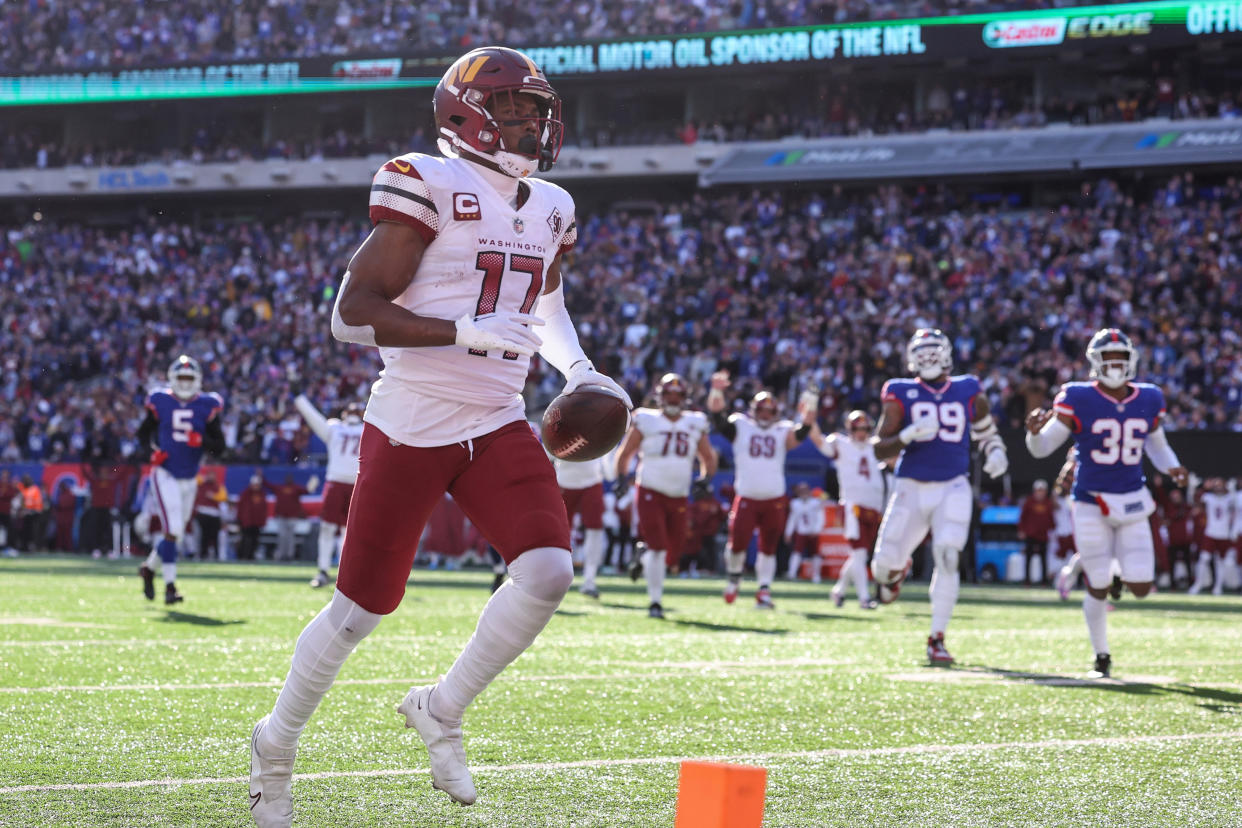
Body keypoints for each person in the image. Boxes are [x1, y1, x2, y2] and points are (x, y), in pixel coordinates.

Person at [248, 46, 631, 828]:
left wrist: (582, 370)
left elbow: (544, 307)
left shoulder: (552, 204)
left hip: (497, 418)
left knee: (550, 570)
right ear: (468, 113)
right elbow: (349, 317)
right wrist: (462, 330)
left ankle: (442, 708)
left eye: (536, 110)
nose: (532, 123)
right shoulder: (426, 180)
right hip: (413, 418)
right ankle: (276, 744)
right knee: (360, 609)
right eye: (516, 110)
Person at [1025, 328, 1188, 678]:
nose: (1115, 364)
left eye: (1120, 358)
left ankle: (1116, 572)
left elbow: (1156, 445)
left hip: (1132, 499)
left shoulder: (1149, 397)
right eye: (1108, 358)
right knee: (1097, 584)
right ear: (1095, 362)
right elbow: (1043, 448)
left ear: (1131, 361)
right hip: (1090, 500)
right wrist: (1034, 433)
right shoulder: (1078, 395)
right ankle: (1102, 655)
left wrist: (1171, 465)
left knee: (1142, 586)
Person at [870, 329, 1009, 665]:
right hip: (910, 486)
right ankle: (896, 570)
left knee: (948, 556)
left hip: (953, 486)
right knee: (881, 567)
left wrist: (996, 451)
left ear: (947, 354)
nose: (929, 359)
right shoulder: (900, 391)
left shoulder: (967, 388)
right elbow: (879, 447)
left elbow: (986, 431)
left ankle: (937, 638)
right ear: (911, 357)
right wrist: (905, 435)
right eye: (922, 352)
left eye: (934, 352)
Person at [614, 373, 715, 619]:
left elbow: (708, 457)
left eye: (677, 395)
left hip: (679, 494)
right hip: (649, 489)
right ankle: (655, 601)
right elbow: (626, 453)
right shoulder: (646, 419)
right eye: (668, 394)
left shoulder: (695, 422)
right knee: (659, 548)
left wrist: (706, 479)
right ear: (660, 396)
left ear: (684, 398)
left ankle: (643, 552)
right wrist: (621, 478)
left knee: (674, 551)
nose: (672, 399)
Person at [706, 372, 810, 609]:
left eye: (769, 411)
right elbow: (717, 417)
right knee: (737, 544)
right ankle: (734, 578)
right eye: (761, 410)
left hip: (774, 497)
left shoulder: (782, 429)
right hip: (747, 497)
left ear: (776, 414)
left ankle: (764, 589)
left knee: (769, 547)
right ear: (754, 409)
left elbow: (802, 433)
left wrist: (809, 408)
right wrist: (717, 390)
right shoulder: (741, 425)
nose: (764, 415)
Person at [135, 355, 225, 604]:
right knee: (173, 530)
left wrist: (203, 442)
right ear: (173, 379)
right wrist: (152, 453)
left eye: (189, 378)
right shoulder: (160, 400)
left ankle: (149, 569)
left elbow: (221, 447)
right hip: (165, 472)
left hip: (190, 476)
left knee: (176, 534)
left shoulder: (208, 404)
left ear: (197, 380)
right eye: (181, 378)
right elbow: (143, 434)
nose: (185, 383)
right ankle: (170, 587)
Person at [808, 410, 886, 609]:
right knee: (859, 554)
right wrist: (810, 421)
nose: (862, 433)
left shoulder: (874, 446)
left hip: (874, 506)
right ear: (850, 429)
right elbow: (818, 441)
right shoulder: (841, 443)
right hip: (854, 506)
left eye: (865, 429)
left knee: (860, 555)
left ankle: (839, 590)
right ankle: (864, 598)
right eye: (858, 429)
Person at [294, 395, 364, 588]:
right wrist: (300, 399)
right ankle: (323, 570)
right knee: (328, 528)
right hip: (335, 482)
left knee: (348, 532)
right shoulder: (335, 428)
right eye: (350, 410)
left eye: (356, 411)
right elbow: (313, 418)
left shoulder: (369, 429)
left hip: (356, 483)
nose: (352, 414)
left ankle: (345, 575)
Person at [550, 453, 610, 598]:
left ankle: (590, 580)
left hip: (592, 480)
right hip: (564, 481)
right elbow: (547, 451)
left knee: (595, 529)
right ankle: (555, 576)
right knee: (559, 531)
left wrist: (610, 472)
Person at [1191, 478, 1233, 595]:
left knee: (1221, 561)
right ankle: (1198, 584)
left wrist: (1232, 489)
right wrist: (1199, 488)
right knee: (1204, 558)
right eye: (1216, 485)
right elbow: (1196, 502)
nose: (1218, 487)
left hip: (1224, 534)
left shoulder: (1230, 498)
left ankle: (1218, 587)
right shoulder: (1208, 497)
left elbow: (1236, 504)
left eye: (1221, 485)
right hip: (1210, 532)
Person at [263, 473, 319, 562]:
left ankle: (289, 555)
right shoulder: (280, 488)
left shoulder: (296, 488)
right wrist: (262, 476)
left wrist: (313, 483)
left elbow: (307, 490)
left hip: (292, 517)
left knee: (290, 538)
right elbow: (269, 485)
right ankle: (281, 555)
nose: (288, 480)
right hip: (281, 517)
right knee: (282, 537)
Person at [784, 483, 825, 584]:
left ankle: (816, 575)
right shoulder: (795, 503)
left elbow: (821, 517)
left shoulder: (816, 502)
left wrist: (816, 530)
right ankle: (792, 573)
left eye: (805, 490)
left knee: (815, 554)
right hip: (801, 531)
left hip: (813, 531)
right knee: (796, 552)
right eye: (801, 491)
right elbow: (792, 519)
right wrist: (788, 532)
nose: (803, 493)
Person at [1017, 480, 1055, 585]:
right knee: (1028, 558)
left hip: (1043, 535)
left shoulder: (1048, 503)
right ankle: (1027, 580)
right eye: (1038, 490)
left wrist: (1052, 530)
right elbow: (1022, 517)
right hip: (1031, 534)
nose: (1040, 492)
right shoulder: (1029, 502)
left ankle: (1044, 581)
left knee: (1044, 559)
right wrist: (1021, 530)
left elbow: (1051, 518)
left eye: (1042, 490)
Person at [686, 480, 727, 575]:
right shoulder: (695, 505)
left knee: (711, 552)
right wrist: (709, 514)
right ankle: (698, 568)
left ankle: (710, 569)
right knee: (697, 552)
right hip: (698, 535)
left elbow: (723, 516)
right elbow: (695, 521)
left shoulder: (714, 503)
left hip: (711, 534)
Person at [194, 471, 227, 560]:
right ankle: (202, 554)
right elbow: (195, 477)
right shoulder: (201, 484)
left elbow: (223, 497)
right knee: (203, 535)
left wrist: (213, 496)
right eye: (209, 475)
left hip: (214, 514)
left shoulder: (218, 486)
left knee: (214, 536)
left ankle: (217, 555)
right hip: (203, 513)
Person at [236, 475, 268, 561]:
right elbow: (240, 508)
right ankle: (244, 557)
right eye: (255, 484)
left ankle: (251, 557)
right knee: (246, 541)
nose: (256, 486)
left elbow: (264, 509)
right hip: (246, 523)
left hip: (256, 523)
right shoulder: (245, 494)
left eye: (257, 484)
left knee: (255, 541)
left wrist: (263, 521)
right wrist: (239, 520)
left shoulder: (262, 494)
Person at [0, 469, 18, 554]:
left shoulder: (10, 486)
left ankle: (7, 547)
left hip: (6, 511)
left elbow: (12, 494)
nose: (4, 477)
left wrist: (3, 495)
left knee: (8, 530)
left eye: (6, 476)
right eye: (3, 475)